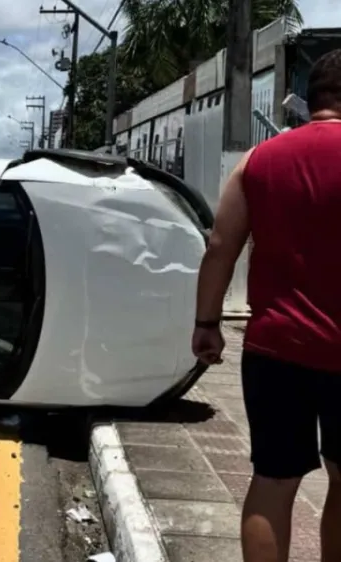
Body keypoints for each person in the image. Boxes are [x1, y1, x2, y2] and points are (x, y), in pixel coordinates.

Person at [192, 48, 341, 562]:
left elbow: (220, 246)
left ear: (310, 98)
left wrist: (207, 322)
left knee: (273, 480)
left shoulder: (260, 159)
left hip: (275, 349)